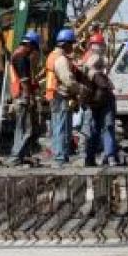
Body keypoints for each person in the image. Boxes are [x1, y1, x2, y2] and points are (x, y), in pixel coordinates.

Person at [45, 28, 87, 165]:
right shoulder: (61, 59)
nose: (72, 47)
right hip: (61, 96)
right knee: (61, 127)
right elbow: (68, 81)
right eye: (71, 44)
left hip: (55, 95)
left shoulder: (53, 55)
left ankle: (61, 156)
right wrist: (81, 89)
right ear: (65, 44)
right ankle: (60, 158)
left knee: (59, 126)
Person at [81, 31, 118, 167]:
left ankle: (92, 158)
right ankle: (109, 157)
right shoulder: (95, 69)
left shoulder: (87, 64)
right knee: (105, 128)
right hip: (102, 101)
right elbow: (103, 85)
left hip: (94, 102)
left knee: (95, 129)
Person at [8, 31, 41, 165]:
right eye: (33, 49)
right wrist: (29, 97)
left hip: (18, 96)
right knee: (27, 129)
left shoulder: (15, 56)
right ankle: (16, 156)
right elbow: (24, 80)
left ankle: (18, 155)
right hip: (22, 97)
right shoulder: (22, 58)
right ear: (29, 45)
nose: (33, 52)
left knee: (20, 127)